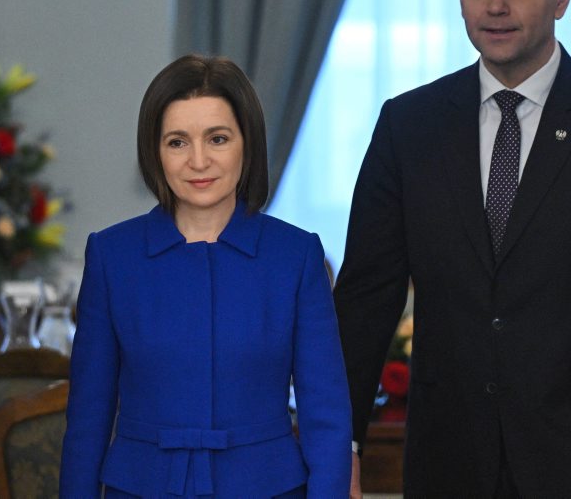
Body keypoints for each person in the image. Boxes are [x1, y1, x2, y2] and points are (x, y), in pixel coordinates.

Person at [334, 0, 571, 498]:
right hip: (447, 462)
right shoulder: (409, 126)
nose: (496, 6)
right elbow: (365, 300)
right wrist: (342, 445)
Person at [60, 54, 352, 498]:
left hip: (268, 487)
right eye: (177, 142)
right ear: (155, 151)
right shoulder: (112, 256)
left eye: (217, 139)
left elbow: (325, 415)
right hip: (141, 487)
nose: (198, 161)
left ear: (247, 144)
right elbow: (87, 417)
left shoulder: (295, 256)